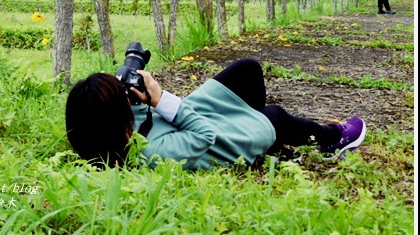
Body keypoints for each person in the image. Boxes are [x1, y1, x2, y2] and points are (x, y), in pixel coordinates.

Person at [65, 58, 366, 170]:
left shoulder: (114, 133)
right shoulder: (154, 154)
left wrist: (136, 96)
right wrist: (159, 99)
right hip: (207, 134)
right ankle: (333, 138)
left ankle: (273, 146)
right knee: (273, 117)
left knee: (247, 70)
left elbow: (138, 122)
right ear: (116, 124)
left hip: (188, 116)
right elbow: (202, 135)